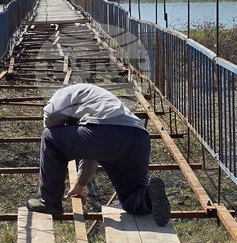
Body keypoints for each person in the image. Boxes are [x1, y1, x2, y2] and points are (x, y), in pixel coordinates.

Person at [27, 83, 171, 226]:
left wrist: (55, 134)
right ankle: (150, 196)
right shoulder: (97, 101)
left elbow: (52, 115)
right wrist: (79, 186)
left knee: (49, 138)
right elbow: (92, 155)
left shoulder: (63, 94)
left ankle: (49, 202)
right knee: (131, 198)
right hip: (139, 138)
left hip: (106, 133)